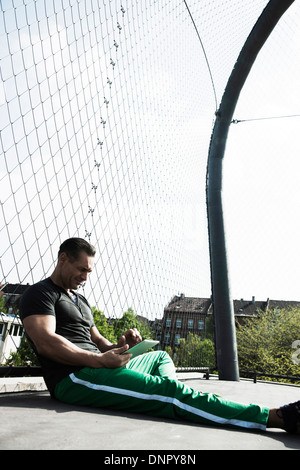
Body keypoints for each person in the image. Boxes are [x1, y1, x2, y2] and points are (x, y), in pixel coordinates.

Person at [19, 237, 300, 434]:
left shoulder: (80, 301)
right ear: (63, 258)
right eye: (81, 269)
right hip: (75, 378)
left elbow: (100, 343)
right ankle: (277, 417)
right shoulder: (40, 293)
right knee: (171, 391)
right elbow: (46, 342)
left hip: (96, 366)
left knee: (160, 358)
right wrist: (98, 361)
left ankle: (166, 399)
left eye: (89, 271)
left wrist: (122, 345)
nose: (85, 277)